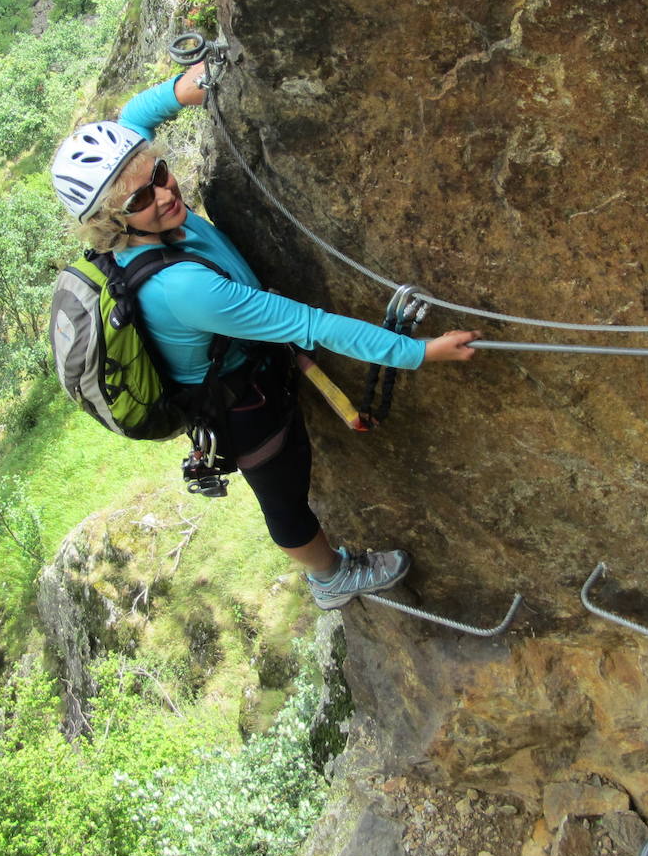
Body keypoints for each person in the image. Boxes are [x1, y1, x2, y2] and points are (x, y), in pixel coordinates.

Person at [51, 62, 478, 610]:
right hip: (239, 405)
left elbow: (133, 118)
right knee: (284, 494)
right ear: (113, 224)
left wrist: (183, 89)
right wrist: (419, 352)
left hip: (245, 364)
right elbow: (311, 324)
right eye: (139, 200)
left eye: (159, 172)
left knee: (287, 477)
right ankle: (330, 578)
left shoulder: (152, 218)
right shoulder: (182, 288)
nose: (163, 193)